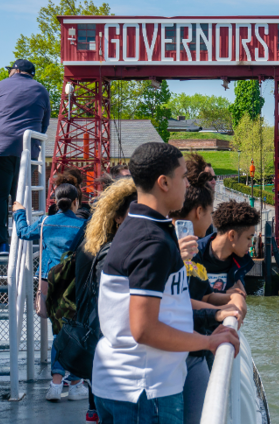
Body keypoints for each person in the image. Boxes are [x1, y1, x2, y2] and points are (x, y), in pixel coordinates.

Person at [92, 142, 239, 424]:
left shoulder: (139, 227)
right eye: (183, 177)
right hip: (144, 390)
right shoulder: (152, 241)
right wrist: (208, 341)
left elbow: (170, 302)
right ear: (163, 182)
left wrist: (215, 313)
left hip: (127, 386)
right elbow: (144, 329)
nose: (187, 184)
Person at [169, 155, 246, 424]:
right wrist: (218, 314)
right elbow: (171, 302)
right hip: (174, 356)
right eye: (211, 214)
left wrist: (232, 298)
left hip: (186, 351)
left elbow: (197, 294)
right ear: (200, 212)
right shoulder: (177, 249)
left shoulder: (183, 248)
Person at [12, 183, 88, 402]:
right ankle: (74, 383)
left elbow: (24, 233)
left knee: (58, 333)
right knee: (75, 332)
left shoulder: (46, 222)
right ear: (76, 202)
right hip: (73, 284)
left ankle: (56, 384)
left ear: (55, 201)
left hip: (49, 281)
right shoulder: (83, 225)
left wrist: (19, 212)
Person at [75, 177, 139, 423]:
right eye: (136, 212)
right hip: (113, 349)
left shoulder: (92, 243)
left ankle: (93, 409)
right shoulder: (115, 252)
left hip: (97, 344)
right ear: (118, 217)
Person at [0, 59, 50, 256]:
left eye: (10, 69)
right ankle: (21, 240)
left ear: (17, 70)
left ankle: (1, 244)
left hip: (0, 147)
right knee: (20, 196)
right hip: (27, 150)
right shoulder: (42, 90)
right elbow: (43, 125)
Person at [194, 200, 259, 295]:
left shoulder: (241, 259)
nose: (250, 244)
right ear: (232, 235)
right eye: (248, 238)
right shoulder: (193, 253)